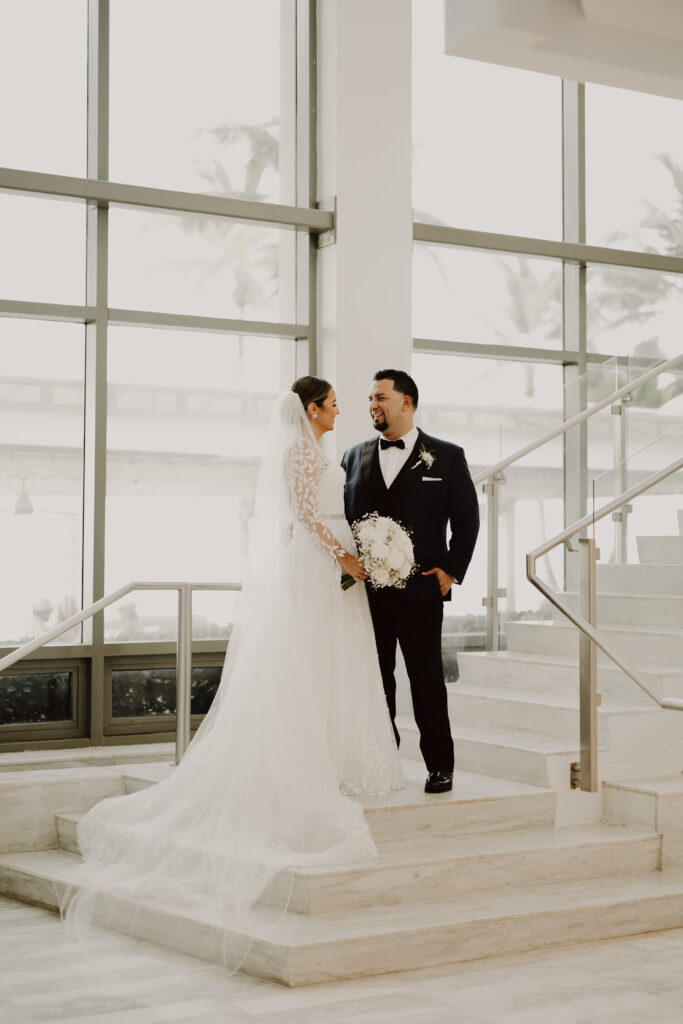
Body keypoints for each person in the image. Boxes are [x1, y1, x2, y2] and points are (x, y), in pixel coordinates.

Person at [63, 378, 402, 957]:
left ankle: (335, 751)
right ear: (311, 409)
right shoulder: (299, 451)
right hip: (318, 563)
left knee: (335, 660)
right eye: (333, 404)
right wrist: (348, 553)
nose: (340, 411)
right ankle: (305, 758)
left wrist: (363, 548)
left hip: (333, 568)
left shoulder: (321, 452)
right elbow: (302, 514)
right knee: (311, 659)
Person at [342, 369, 480, 794]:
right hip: (366, 595)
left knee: (426, 680)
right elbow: (344, 518)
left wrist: (451, 570)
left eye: (380, 397)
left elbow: (468, 518)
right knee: (376, 680)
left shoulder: (448, 455)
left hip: (421, 590)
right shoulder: (351, 456)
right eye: (370, 398)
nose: (372, 405)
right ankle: (384, 760)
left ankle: (440, 765)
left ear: (407, 402)